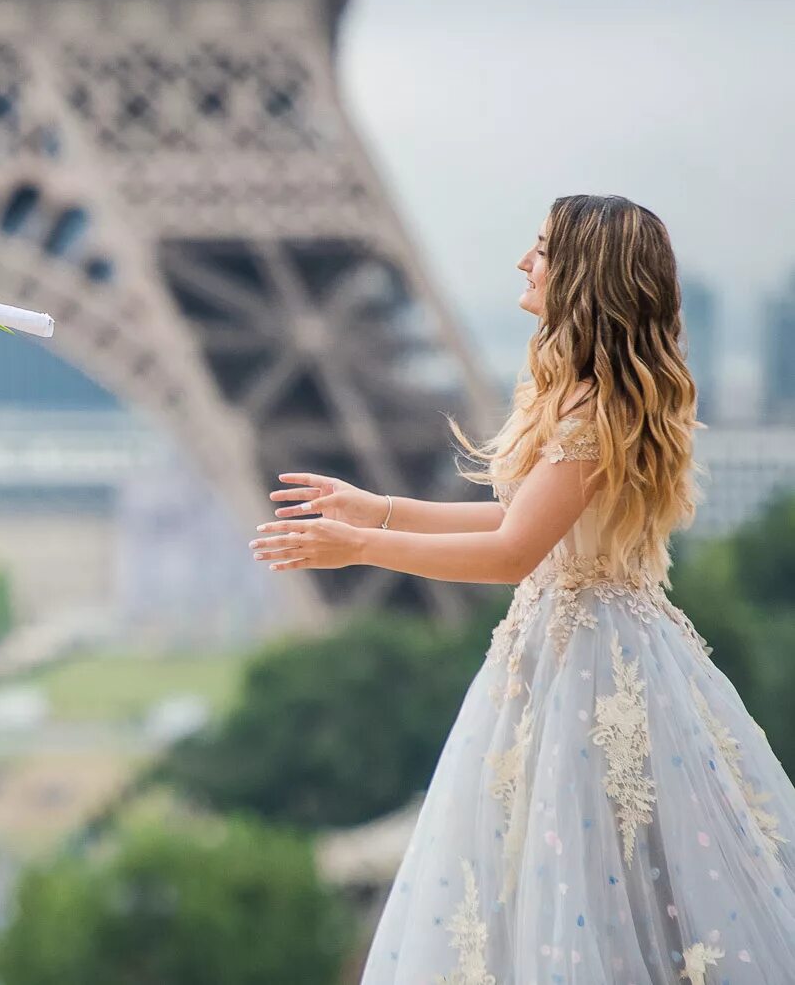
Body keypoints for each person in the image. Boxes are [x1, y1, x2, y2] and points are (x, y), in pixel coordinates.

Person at [253, 194, 795, 982]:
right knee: (576, 882)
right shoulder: (587, 395)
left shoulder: (599, 407)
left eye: (539, 248)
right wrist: (382, 508)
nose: (522, 260)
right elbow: (521, 528)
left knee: (578, 880)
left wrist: (362, 544)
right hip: (573, 657)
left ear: (582, 274)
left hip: (591, 671)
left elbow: (513, 554)